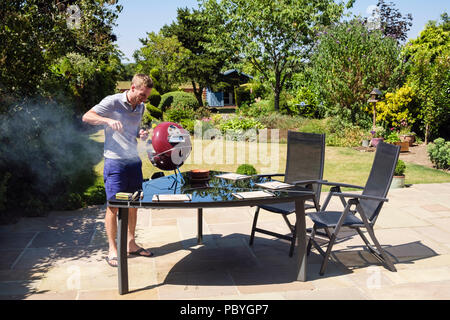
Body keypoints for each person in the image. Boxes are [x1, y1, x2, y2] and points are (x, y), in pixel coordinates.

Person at [82, 74, 153, 267]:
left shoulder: (140, 106)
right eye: (141, 95)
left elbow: (132, 129)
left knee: (134, 204)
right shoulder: (112, 101)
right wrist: (107, 121)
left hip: (133, 161)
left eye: (146, 96)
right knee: (113, 206)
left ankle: (130, 243)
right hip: (115, 162)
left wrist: (140, 133)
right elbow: (87, 116)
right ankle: (112, 249)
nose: (144, 99)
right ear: (132, 88)